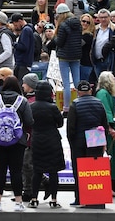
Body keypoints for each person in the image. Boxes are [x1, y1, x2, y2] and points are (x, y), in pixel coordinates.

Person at [0, 75, 33, 211]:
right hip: (18, 142)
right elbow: (29, 121)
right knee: (16, 172)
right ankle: (18, 203)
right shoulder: (22, 101)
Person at [66, 80, 108, 206]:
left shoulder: (75, 104)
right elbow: (104, 123)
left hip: (79, 140)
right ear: (90, 91)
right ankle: (96, 199)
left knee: (79, 171)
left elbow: (71, 128)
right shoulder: (99, 103)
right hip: (95, 137)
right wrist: (103, 141)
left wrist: (71, 143)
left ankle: (80, 198)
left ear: (78, 92)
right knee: (94, 170)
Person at [28, 80, 64, 208]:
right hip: (52, 140)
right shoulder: (53, 107)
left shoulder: (31, 106)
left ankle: (34, 199)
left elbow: (28, 123)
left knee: (37, 171)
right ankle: (54, 200)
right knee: (53, 172)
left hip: (37, 140)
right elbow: (60, 124)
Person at [94, 71, 115, 197]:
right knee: (108, 159)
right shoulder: (103, 94)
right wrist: (110, 128)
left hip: (101, 131)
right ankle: (109, 186)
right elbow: (105, 112)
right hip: (104, 132)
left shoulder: (103, 93)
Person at [54, 4, 82, 111]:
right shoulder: (77, 23)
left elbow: (60, 42)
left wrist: (54, 38)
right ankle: (80, 103)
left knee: (66, 84)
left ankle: (66, 108)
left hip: (64, 56)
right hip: (76, 55)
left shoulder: (63, 25)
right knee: (77, 82)